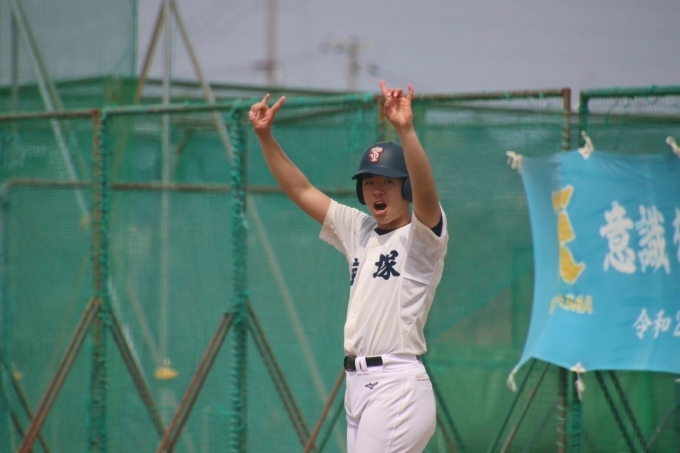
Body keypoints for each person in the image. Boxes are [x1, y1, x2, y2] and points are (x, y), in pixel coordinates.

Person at [249, 80, 448, 452]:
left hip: (396, 385)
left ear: (405, 188)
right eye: (369, 182)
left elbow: (426, 191)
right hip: (358, 388)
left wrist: (405, 130)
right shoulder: (360, 230)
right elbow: (301, 190)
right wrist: (265, 138)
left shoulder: (422, 238)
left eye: (387, 181)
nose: (376, 190)